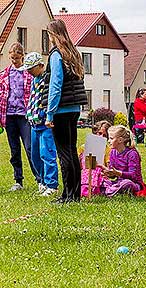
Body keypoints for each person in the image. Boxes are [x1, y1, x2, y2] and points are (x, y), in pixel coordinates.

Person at [43, 19, 88, 204]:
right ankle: (73, 194)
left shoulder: (56, 54)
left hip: (61, 110)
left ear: (53, 35)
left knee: (63, 153)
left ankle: (68, 196)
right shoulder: (73, 52)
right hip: (75, 108)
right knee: (70, 150)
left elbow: (55, 85)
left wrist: (49, 112)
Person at [0, 42, 39, 191]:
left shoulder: (29, 74)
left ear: (22, 57)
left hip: (24, 116)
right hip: (9, 116)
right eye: (12, 58)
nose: (14, 61)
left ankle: (39, 178)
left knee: (29, 147)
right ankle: (18, 180)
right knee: (14, 150)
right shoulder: (4, 75)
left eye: (17, 58)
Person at [22, 52, 59, 196]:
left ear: (40, 65)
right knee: (35, 155)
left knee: (47, 153)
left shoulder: (47, 79)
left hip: (45, 123)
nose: (29, 72)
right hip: (34, 123)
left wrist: (47, 114)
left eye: (31, 68)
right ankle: (42, 182)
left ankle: (52, 184)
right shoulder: (34, 80)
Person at [100, 125, 144, 196]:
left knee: (127, 183)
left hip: (133, 183)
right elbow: (114, 176)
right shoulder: (113, 152)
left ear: (120, 140)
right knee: (101, 181)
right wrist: (108, 173)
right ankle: (112, 190)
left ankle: (109, 191)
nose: (108, 141)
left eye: (111, 138)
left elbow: (133, 175)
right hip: (118, 182)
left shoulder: (132, 154)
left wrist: (118, 173)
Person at [79, 120, 112, 197]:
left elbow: (108, 167)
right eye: (100, 133)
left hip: (101, 176)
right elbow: (80, 166)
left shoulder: (108, 150)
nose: (101, 137)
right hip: (86, 175)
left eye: (104, 135)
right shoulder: (84, 147)